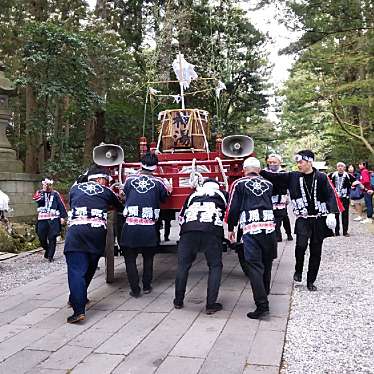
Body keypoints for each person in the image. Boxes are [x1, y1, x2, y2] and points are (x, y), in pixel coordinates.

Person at [260, 150, 339, 292]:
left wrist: (332, 213)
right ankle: (298, 269)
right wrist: (258, 171)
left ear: (309, 162)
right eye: (297, 162)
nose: (298, 165)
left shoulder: (321, 177)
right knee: (300, 246)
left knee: (316, 250)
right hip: (303, 219)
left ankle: (311, 280)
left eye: (300, 162)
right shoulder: (293, 176)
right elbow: (276, 178)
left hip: (318, 219)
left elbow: (330, 195)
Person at [64, 166, 123, 323]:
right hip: (96, 233)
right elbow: (120, 206)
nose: (108, 183)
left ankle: (78, 308)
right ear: (100, 179)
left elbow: (72, 203)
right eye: (107, 180)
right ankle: (76, 301)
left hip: (77, 232)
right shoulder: (106, 192)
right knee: (89, 267)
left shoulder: (75, 189)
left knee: (76, 270)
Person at [227, 157, 277, 319]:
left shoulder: (239, 184)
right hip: (269, 227)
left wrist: (230, 228)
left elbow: (233, 207)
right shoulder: (269, 184)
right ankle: (265, 292)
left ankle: (262, 306)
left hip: (250, 227)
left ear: (244, 170)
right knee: (267, 262)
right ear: (259, 169)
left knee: (254, 265)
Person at [120, 152, 171, 297]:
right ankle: (147, 285)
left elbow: (123, 195)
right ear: (156, 167)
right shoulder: (159, 182)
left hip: (130, 225)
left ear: (140, 164)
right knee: (148, 258)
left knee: (130, 259)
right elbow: (164, 198)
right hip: (149, 226)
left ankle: (135, 289)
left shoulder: (129, 180)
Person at [174, 178, 227, 314]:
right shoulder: (222, 195)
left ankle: (178, 301)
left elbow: (181, 216)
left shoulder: (192, 195)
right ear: (217, 187)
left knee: (183, 265)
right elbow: (229, 213)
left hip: (188, 230)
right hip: (211, 230)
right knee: (215, 266)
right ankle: (210, 305)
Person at [33, 178, 67, 262]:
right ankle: (47, 249)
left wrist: (62, 217)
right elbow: (37, 200)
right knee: (41, 236)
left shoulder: (56, 194)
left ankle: (50, 256)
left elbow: (61, 204)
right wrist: (43, 191)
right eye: (45, 184)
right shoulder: (39, 193)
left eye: (49, 185)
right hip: (42, 219)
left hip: (53, 219)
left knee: (52, 237)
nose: (48, 186)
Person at [265, 153, 293, 242]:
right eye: (270, 162)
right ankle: (282, 234)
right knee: (278, 216)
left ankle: (281, 235)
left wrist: (288, 195)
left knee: (281, 216)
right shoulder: (264, 172)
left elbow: (288, 185)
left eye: (274, 162)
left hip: (281, 198)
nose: (272, 164)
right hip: (269, 198)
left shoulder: (284, 173)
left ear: (279, 162)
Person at [328, 162, 356, 236]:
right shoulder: (332, 174)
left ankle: (345, 232)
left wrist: (353, 186)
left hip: (345, 197)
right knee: (336, 214)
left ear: (344, 168)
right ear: (337, 168)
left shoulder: (348, 175)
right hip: (336, 197)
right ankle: (336, 232)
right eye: (338, 166)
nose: (340, 168)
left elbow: (355, 182)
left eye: (342, 166)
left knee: (345, 214)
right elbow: (326, 181)